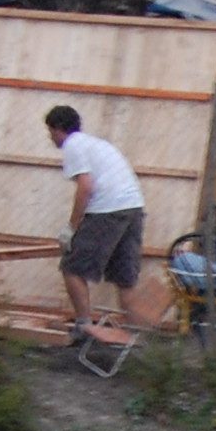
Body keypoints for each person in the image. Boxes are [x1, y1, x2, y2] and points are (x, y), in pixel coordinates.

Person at [46, 104, 148, 336]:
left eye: (50, 132)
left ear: (58, 128)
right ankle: (137, 337)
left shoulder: (73, 145)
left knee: (72, 268)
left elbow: (85, 187)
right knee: (124, 278)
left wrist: (71, 227)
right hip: (133, 207)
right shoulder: (98, 144)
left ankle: (84, 326)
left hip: (108, 209)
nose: (50, 138)